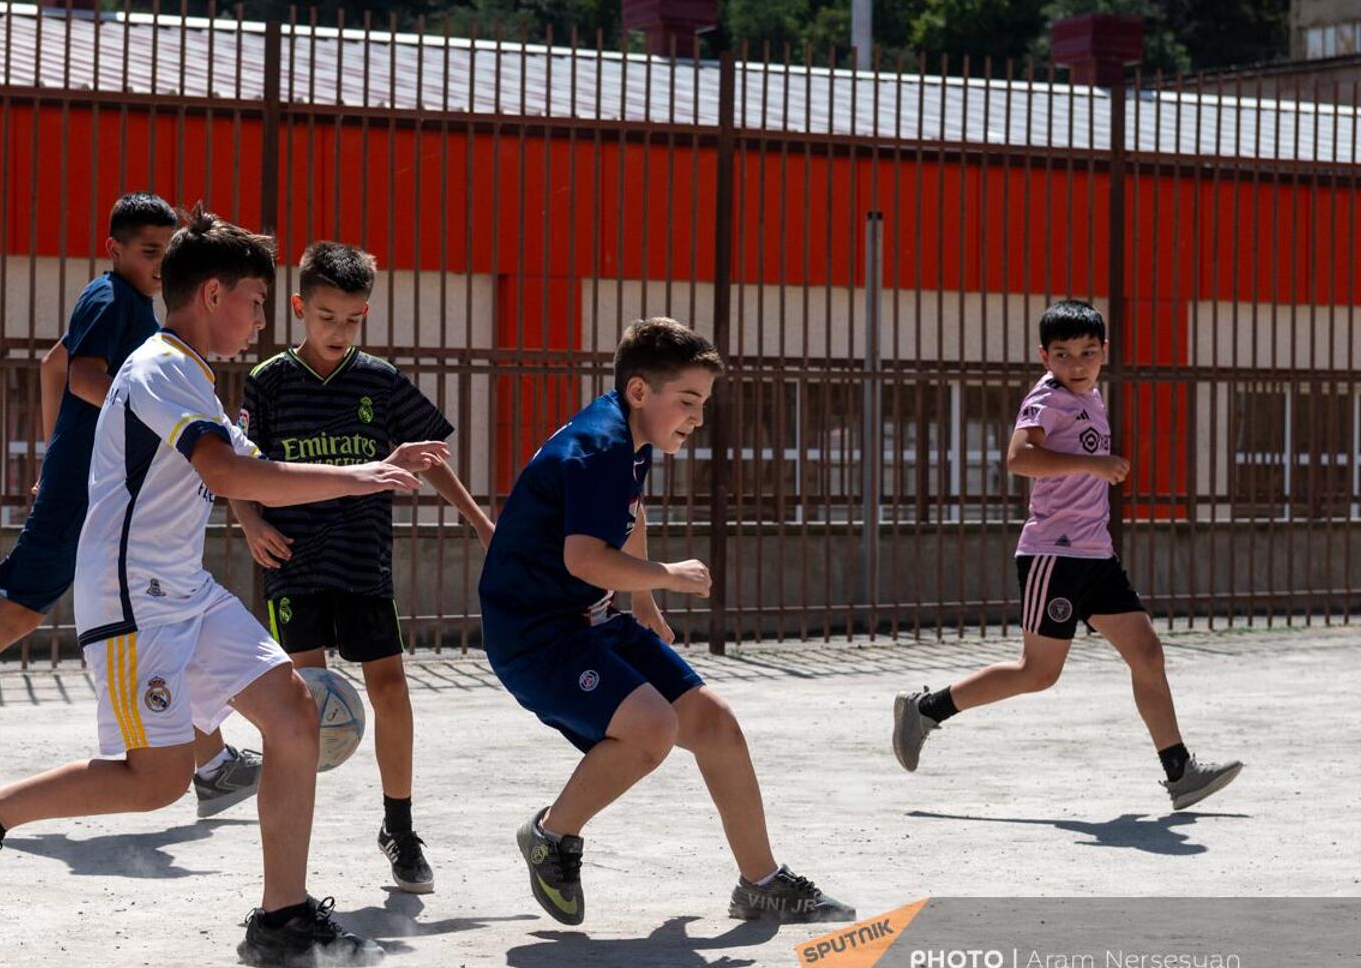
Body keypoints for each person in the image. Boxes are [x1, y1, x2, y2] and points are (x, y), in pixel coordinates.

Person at [0, 205, 448, 967]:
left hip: (185, 590)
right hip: (135, 599)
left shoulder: (192, 378)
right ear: (211, 296)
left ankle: (283, 916)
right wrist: (358, 475)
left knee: (294, 714)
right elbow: (229, 472)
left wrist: (368, 464)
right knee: (156, 780)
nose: (263, 320)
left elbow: (254, 470)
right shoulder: (160, 366)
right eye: (257, 301)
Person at [0, 193, 262, 817]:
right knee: (21, 611)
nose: (159, 263)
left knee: (156, 613)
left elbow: (53, 363)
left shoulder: (138, 312)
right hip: (88, 489)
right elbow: (80, 375)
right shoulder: (111, 299)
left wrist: (54, 451)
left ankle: (208, 760)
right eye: (148, 251)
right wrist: (125, 427)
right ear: (115, 250)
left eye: (167, 250)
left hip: (100, 486)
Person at [479, 317, 856, 928]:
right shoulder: (600, 446)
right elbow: (583, 557)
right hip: (536, 637)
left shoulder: (630, 435)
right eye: (687, 401)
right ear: (638, 391)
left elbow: (628, 513)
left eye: (702, 403)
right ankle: (552, 835)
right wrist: (664, 576)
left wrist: (645, 604)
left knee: (716, 726)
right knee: (652, 728)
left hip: (590, 618)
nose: (698, 418)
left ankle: (761, 882)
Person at [891, 299, 1242, 810]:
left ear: (1104, 352)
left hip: (1095, 555)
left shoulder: (1091, 398)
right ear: (1044, 356)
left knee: (1146, 652)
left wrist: (1093, 471)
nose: (1076, 363)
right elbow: (1018, 458)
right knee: (1038, 672)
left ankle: (1179, 771)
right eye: (1063, 354)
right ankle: (926, 710)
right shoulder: (1047, 397)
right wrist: (1092, 466)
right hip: (1053, 556)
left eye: (1087, 352)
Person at [231, 241, 493, 894]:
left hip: (362, 561)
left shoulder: (379, 381)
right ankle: (296, 856)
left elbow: (430, 459)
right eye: (325, 317)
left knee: (390, 691)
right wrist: (250, 521)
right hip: (292, 563)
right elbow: (232, 459)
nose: (338, 331)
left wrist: (481, 522)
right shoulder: (268, 382)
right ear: (298, 307)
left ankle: (399, 830)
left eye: (351, 320)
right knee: (302, 710)